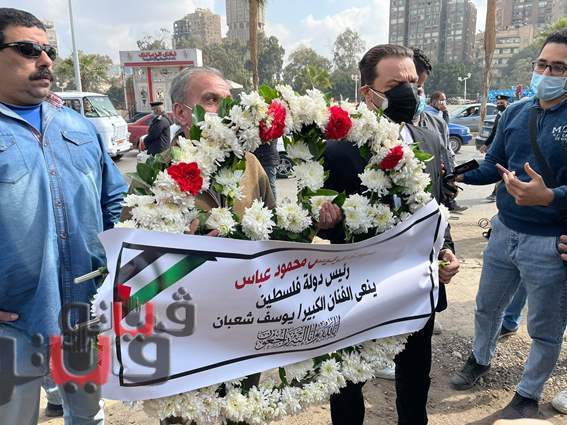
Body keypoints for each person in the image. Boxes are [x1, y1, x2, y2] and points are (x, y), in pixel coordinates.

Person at [0, 7, 127, 425]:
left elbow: (113, 200)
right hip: (13, 318)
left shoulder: (79, 126)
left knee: (88, 416)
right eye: (27, 49)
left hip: (82, 312)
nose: (45, 60)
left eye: (48, 50)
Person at [323, 44, 460, 425]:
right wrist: (325, 221)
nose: (409, 92)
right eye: (396, 85)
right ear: (367, 93)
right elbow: (316, 221)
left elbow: (437, 207)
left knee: (415, 379)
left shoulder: (429, 140)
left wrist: (446, 250)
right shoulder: (336, 149)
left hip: (415, 285)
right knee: (347, 382)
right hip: (355, 289)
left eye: (413, 83)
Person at [450, 30, 567, 419]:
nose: (547, 73)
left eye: (559, 68)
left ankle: (528, 394)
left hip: (550, 242)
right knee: (487, 306)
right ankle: (480, 358)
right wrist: (459, 175)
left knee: (545, 328)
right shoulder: (516, 111)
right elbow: (493, 164)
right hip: (504, 232)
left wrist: (550, 196)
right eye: (542, 64)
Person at [412, 48, 466, 213]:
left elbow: (446, 152)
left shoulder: (437, 123)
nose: (413, 94)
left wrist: (449, 179)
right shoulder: (380, 128)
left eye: (419, 88)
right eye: (406, 86)